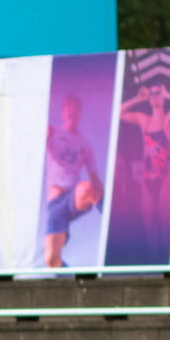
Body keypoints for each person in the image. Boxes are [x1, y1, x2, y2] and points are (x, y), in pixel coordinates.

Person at [118, 82, 170, 262]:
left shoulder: (169, 119)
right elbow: (117, 112)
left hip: (164, 180)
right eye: (152, 94)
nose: (155, 96)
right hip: (147, 180)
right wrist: (136, 98)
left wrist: (169, 93)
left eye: (158, 93)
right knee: (149, 226)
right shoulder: (144, 120)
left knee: (166, 227)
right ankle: (155, 263)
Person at [42, 95, 102, 268]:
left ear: (79, 113)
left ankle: (109, 218)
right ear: (62, 112)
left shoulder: (84, 144)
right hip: (55, 202)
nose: (71, 112)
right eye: (68, 108)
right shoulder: (52, 132)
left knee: (87, 188)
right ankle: (72, 280)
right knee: (51, 260)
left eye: (75, 109)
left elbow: (94, 176)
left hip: (74, 197)